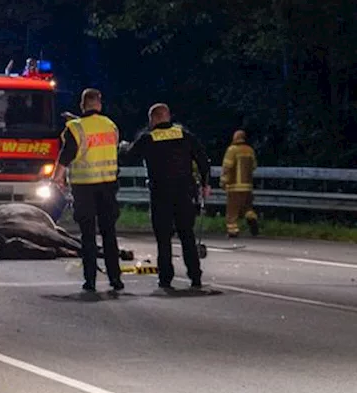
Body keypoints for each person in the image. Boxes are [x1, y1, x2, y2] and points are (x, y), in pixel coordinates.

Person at [121, 103, 211, 289]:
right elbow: (203, 159)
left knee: (163, 238)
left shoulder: (148, 138)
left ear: (153, 119)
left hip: (161, 193)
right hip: (185, 192)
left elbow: (129, 157)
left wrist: (123, 147)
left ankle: (165, 278)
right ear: (168, 116)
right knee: (187, 235)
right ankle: (195, 276)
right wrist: (205, 184)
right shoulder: (184, 135)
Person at [54, 88, 123, 294]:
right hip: (108, 185)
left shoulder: (75, 128)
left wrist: (57, 178)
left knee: (88, 235)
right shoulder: (111, 125)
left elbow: (66, 155)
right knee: (109, 234)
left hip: (84, 188)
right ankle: (115, 279)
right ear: (99, 105)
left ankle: (90, 281)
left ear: (82, 105)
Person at [222, 129, 259, 238]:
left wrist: (223, 182)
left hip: (234, 187)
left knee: (232, 211)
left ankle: (233, 231)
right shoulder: (250, 150)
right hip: (247, 187)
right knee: (247, 208)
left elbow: (227, 167)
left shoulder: (232, 150)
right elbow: (254, 166)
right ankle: (252, 219)